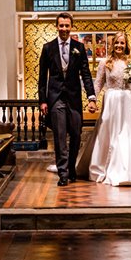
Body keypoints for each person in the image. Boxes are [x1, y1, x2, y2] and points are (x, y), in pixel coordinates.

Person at [38, 11, 96, 186]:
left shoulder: (79, 47)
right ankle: (63, 174)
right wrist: (42, 101)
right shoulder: (48, 48)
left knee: (76, 135)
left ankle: (71, 169)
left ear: (71, 27)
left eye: (67, 25)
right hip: (56, 99)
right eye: (61, 25)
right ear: (56, 27)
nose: (64, 28)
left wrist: (91, 97)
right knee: (60, 137)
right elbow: (42, 77)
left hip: (74, 99)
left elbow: (86, 75)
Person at [88, 31, 131, 186]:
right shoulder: (105, 63)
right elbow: (98, 83)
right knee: (109, 134)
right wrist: (92, 100)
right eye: (117, 42)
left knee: (128, 135)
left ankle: (130, 171)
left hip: (128, 102)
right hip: (112, 102)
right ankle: (105, 168)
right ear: (112, 44)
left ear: (126, 45)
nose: (119, 46)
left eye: (122, 43)